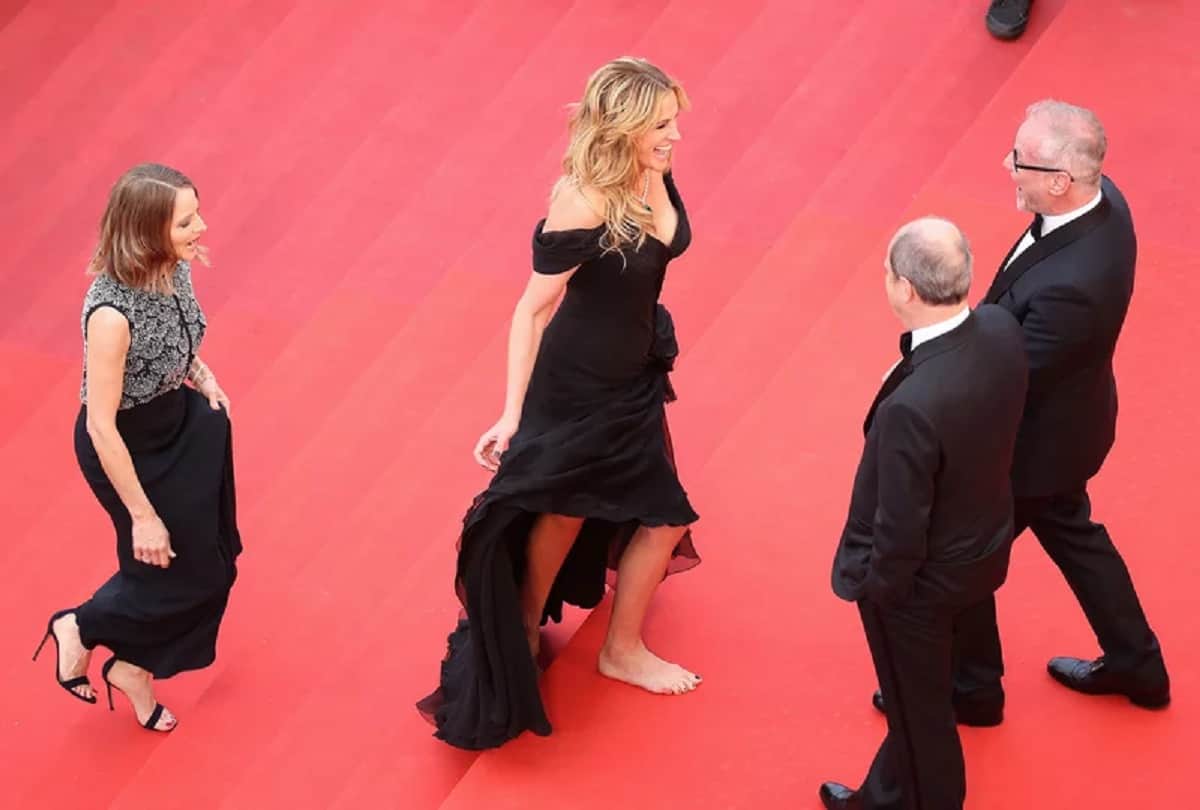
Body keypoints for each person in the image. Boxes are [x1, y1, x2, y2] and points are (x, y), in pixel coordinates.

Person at [416, 57, 702, 750]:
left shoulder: (654, 168)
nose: (675, 137)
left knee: (654, 517)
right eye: (661, 125)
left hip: (634, 375)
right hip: (576, 385)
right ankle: (526, 625)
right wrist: (512, 413)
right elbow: (532, 309)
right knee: (569, 507)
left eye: (674, 121)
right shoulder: (582, 199)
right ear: (624, 128)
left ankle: (618, 648)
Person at [949, 100, 1171, 715]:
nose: (1007, 167)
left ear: (1059, 181)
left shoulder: (1075, 288)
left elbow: (1007, 378)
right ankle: (1138, 664)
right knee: (1075, 535)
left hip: (1031, 450)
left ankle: (972, 690)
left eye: (1019, 161)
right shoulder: (1103, 199)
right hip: (1070, 427)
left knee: (958, 555)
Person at [821, 218, 1028, 809]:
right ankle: (978, 693)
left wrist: (881, 592)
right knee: (958, 646)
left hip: (923, 581)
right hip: (984, 541)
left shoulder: (910, 409)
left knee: (917, 711)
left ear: (906, 289)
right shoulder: (1001, 328)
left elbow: (900, 527)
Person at [32, 163, 241, 732]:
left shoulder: (175, 266)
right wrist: (143, 516)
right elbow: (101, 426)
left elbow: (178, 339)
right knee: (172, 569)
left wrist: (202, 375)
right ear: (147, 232)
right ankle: (80, 627)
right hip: (129, 450)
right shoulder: (109, 315)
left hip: (182, 426)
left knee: (216, 561)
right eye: (186, 222)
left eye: (196, 214)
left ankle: (131, 667)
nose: (201, 228)